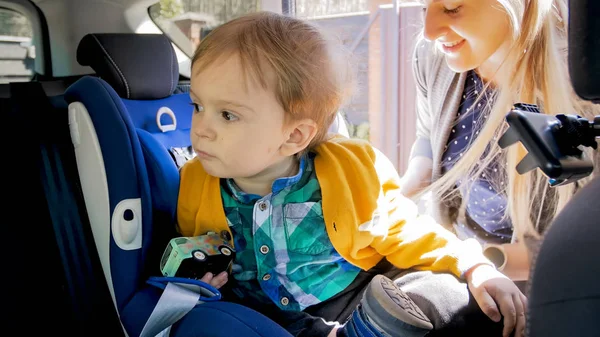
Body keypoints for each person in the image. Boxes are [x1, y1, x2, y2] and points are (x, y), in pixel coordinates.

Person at [176, 11, 526, 337]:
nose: (201, 129)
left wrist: (473, 265)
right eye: (198, 106)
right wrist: (200, 279)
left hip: (355, 290)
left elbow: (404, 228)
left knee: (450, 295)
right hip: (275, 316)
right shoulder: (195, 181)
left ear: (294, 135)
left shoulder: (348, 170)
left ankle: (368, 325)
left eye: (227, 115)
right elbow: (191, 246)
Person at [399, 0, 599, 280]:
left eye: (452, 8)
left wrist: (477, 262)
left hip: (549, 281)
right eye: (422, 7)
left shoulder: (586, 79)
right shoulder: (433, 56)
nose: (429, 31)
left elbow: (587, 242)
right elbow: (428, 137)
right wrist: (396, 198)